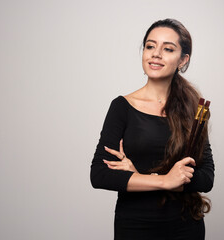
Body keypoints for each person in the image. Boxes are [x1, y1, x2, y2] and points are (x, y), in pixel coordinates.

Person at [90, 18, 214, 240]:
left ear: (182, 60)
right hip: (136, 226)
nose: (156, 54)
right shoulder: (122, 107)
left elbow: (206, 178)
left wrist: (138, 176)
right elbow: (100, 175)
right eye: (150, 46)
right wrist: (165, 181)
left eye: (168, 49)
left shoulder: (193, 108)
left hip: (186, 227)